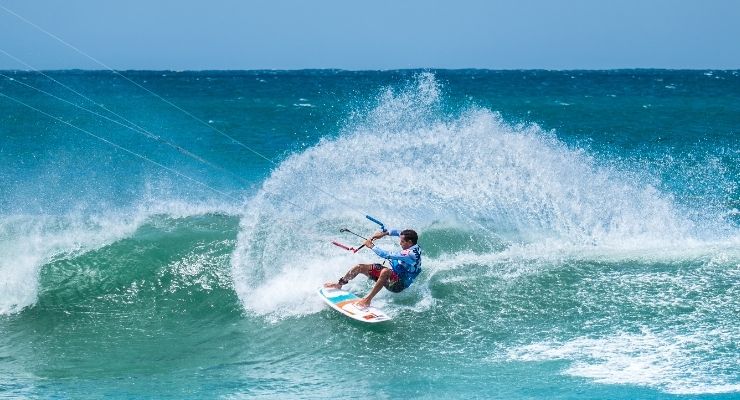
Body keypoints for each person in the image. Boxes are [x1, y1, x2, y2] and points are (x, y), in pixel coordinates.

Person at [324, 228, 422, 308]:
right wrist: (383, 234)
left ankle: (367, 300)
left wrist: (371, 245)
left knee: (385, 271)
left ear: (409, 242)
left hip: (399, 285)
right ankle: (339, 284)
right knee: (359, 267)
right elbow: (397, 232)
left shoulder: (410, 254)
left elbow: (386, 255)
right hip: (394, 275)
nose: (400, 243)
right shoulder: (412, 242)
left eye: (402, 242)